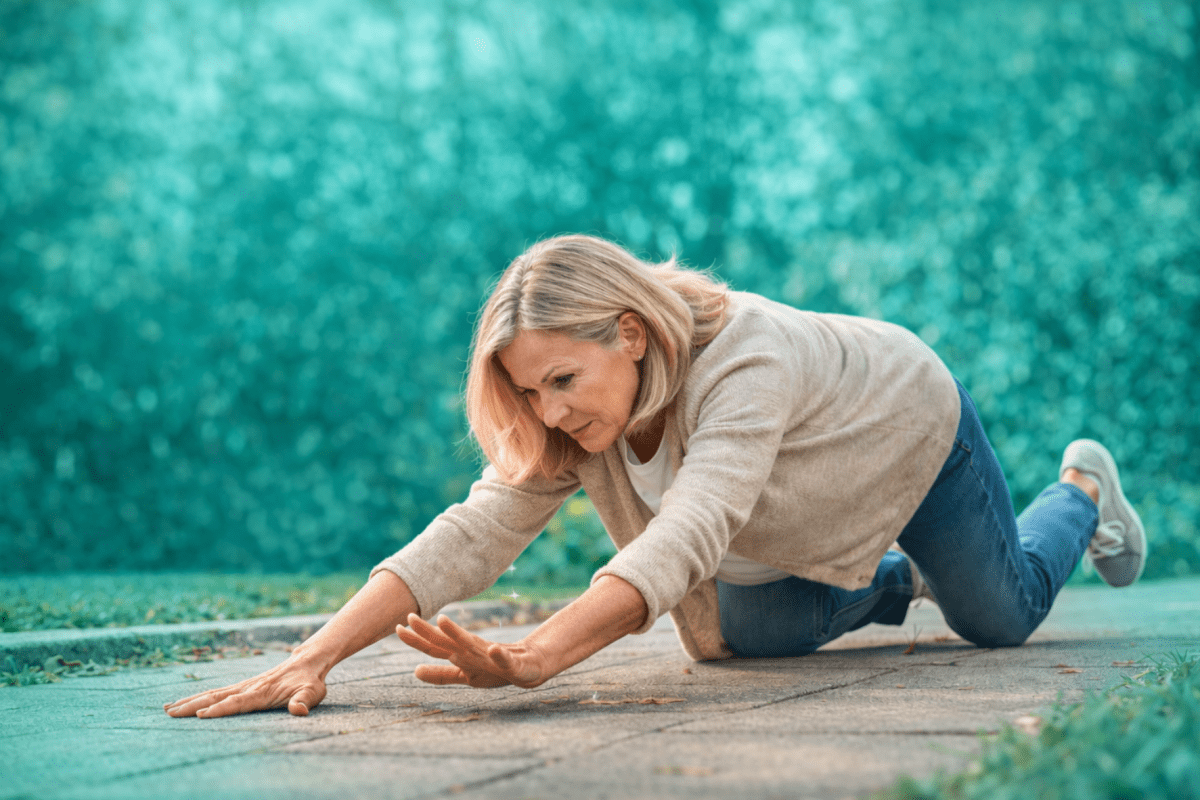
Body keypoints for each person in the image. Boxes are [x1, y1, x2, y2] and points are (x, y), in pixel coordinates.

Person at [165, 234, 1146, 718]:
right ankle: (896, 574)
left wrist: (540, 654)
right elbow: (476, 526)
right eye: (529, 389)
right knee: (733, 634)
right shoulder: (576, 412)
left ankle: (1080, 493)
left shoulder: (746, 358)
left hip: (905, 430)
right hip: (796, 504)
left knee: (1001, 615)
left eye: (561, 380)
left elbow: (691, 529)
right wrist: (315, 654)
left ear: (628, 333)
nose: (549, 412)